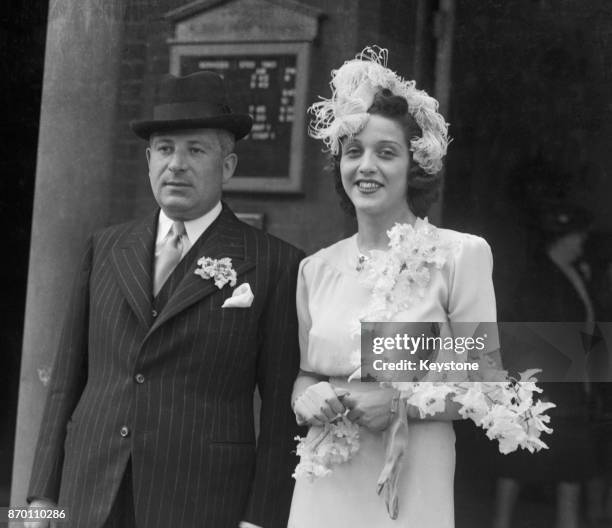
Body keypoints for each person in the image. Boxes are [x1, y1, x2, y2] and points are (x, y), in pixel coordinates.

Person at [26, 71, 303, 528]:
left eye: (196, 150)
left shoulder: (275, 263)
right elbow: (65, 382)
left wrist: (261, 519)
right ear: (147, 159)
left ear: (228, 166)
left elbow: (280, 411)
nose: (177, 164)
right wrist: (40, 498)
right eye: (165, 149)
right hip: (86, 495)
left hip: (201, 499)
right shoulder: (105, 248)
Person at [288, 47, 498, 528]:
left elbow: (486, 386)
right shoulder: (315, 270)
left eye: (386, 153)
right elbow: (304, 373)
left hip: (412, 478)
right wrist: (307, 396)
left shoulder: (459, 256)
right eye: (353, 152)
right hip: (326, 478)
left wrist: (400, 403)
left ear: (413, 166)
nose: (366, 166)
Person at [492, 201, 597, 528]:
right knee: (518, 461)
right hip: (538, 383)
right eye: (576, 235)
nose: (581, 241)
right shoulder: (536, 276)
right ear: (561, 239)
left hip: (572, 383)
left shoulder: (578, 272)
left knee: (571, 467)